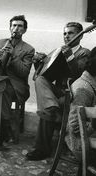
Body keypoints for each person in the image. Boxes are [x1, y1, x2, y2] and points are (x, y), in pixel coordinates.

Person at [26, 22, 90, 161]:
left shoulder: (84, 53)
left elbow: (80, 74)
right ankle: (51, 108)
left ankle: (41, 149)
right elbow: (45, 76)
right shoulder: (58, 52)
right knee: (41, 81)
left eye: (71, 33)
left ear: (80, 36)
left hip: (73, 94)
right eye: (65, 33)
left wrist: (70, 57)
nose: (66, 36)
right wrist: (39, 62)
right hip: (58, 93)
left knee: (46, 110)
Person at [0, 15, 35, 147]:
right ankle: (3, 127)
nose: (16, 28)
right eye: (13, 25)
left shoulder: (28, 49)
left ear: (24, 30)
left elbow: (24, 72)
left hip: (16, 86)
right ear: (10, 28)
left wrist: (13, 55)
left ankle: (2, 130)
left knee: (3, 90)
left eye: (19, 26)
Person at [65, 47, 96, 164]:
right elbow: (75, 125)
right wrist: (93, 124)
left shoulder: (92, 81)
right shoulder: (83, 89)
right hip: (82, 145)